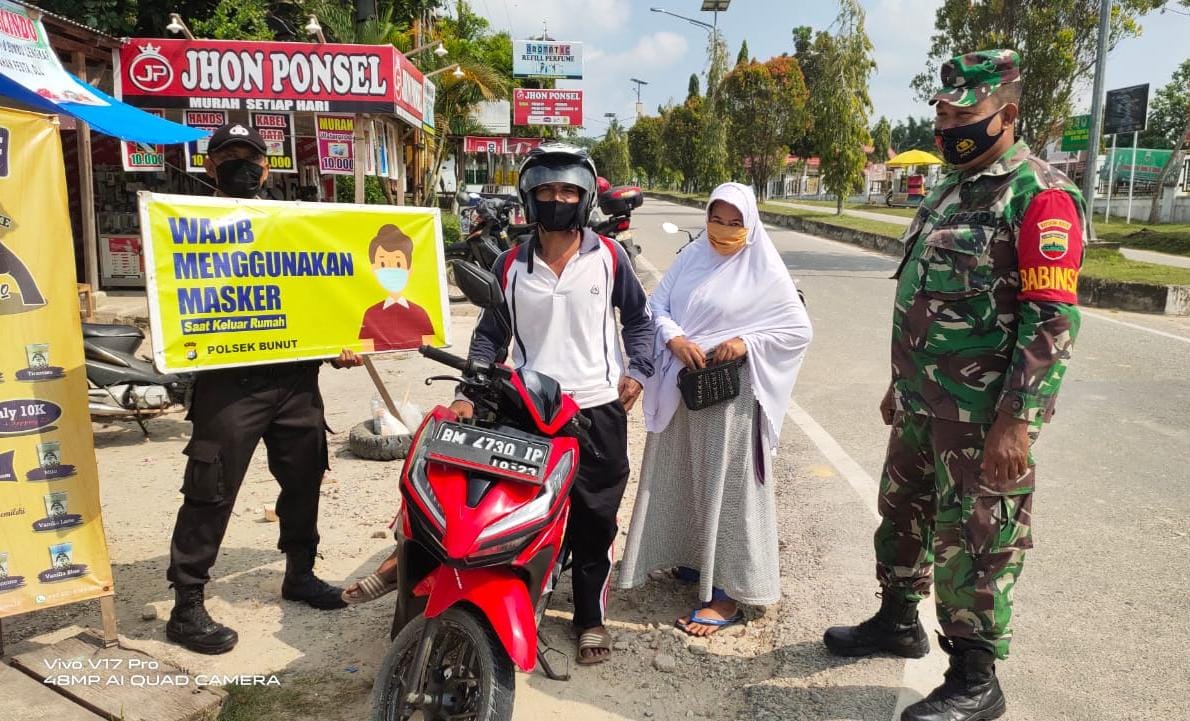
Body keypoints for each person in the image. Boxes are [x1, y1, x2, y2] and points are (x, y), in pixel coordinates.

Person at [822, 50, 1086, 721]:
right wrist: (897, 383)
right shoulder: (948, 188)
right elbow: (925, 297)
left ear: (1007, 115)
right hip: (919, 402)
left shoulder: (1039, 195)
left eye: (964, 114)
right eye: (942, 112)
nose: (948, 125)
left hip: (980, 417)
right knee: (903, 515)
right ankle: (896, 619)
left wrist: (1018, 419)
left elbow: (1050, 316)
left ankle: (976, 676)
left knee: (975, 542)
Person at [341, 144, 654, 666]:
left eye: (569, 191)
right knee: (490, 506)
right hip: (526, 408)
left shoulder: (610, 259)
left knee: (594, 521)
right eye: (548, 190)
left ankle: (590, 619)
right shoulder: (511, 264)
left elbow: (639, 321)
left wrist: (638, 370)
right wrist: (469, 391)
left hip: (596, 410)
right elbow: (490, 334)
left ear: (584, 198)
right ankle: (436, 578)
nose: (559, 199)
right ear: (530, 199)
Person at [165, 123, 364, 656]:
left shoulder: (296, 224)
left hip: (297, 380)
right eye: (228, 155)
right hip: (229, 382)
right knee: (211, 487)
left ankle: (299, 572)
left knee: (304, 480)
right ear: (209, 167)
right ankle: (186, 604)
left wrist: (341, 343)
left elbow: (325, 289)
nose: (241, 164)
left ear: (268, 166)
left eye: (250, 156)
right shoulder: (184, 222)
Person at [616, 182, 812, 636]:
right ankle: (691, 561)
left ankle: (728, 593)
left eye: (734, 222)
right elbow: (657, 305)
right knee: (683, 473)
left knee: (729, 486)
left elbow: (796, 329)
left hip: (731, 397)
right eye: (716, 219)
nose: (723, 231)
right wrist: (674, 338)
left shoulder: (764, 267)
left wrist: (747, 342)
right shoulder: (691, 257)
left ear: (750, 224)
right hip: (685, 383)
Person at [358, 223, 436, 352]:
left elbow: (432, 351)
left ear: (409, 268)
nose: (391, 269)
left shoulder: (421, 313)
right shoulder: (370, 314)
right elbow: (366, 351)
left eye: (398, 263)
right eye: (383, 263)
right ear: (373, 269)